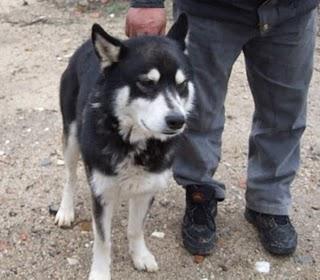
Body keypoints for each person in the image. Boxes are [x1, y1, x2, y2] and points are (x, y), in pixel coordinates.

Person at [126, 0, 319, 256]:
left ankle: (270, 202)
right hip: (209, 10)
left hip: (291, 10)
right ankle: (199, 191)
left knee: (285, 110)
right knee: (198, 109)